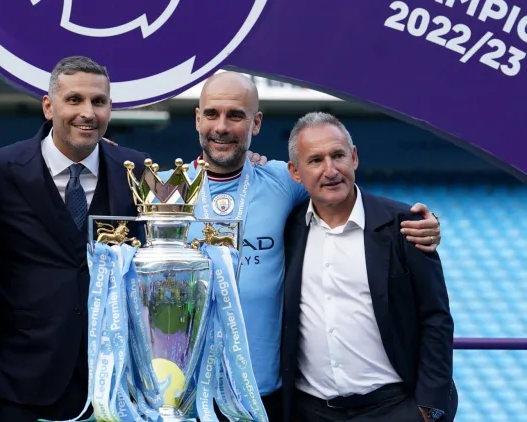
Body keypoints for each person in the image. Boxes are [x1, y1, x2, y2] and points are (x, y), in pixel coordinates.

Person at [155, 72, 443, 421]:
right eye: (212, 114)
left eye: (236, 115)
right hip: (188, 392)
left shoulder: (282, 179)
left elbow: (335, 181)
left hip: (266, 396)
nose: (222, 126)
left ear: (256, 123)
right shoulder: (164, 191)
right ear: (198, 118)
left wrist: (421, 221)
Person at [0, 56, 151, 421]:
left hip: (111, 387)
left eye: (98, 102)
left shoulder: (136, 172)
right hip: (17, 384)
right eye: (74, 100)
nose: (87, 112)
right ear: (48, 106)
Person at [281, 112, 457, 422]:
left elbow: (436, 318)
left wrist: (427, 410)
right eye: (316, 160)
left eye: (338, 155)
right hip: (309, 411)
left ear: (355, 158)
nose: (330, 170)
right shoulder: (286, 229)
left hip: (394, 408)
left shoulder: (406, 226)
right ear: (295, 172)